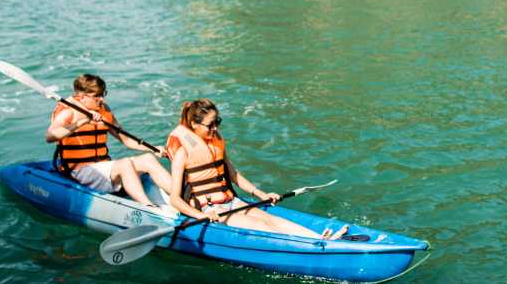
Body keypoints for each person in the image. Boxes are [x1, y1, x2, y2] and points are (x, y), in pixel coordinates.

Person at [166, 98, 347, 239]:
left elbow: (234, 174)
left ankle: (319, 239)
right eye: (210, 125)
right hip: (210, 209)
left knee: (271, 219)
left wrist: (261, 194)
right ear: (194, 125)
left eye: (217, 122)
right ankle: (314, 247)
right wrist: (199, 215)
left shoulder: (216, 142)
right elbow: (175, 199)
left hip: (230, 201)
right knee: (263, 228)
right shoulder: (183, 152)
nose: (215, 128)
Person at [46, 73, 173, 208]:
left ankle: (181, 198)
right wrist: (81, 122)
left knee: (148, 159)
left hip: (102, 167)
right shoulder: (68, 112)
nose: (101, 99)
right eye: (97, 96)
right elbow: (50, 136)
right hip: (79, 171)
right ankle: (148, 208)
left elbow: (126, 139)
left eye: (103, 94)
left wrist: (153, 148)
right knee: (124, 164)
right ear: (82, 97)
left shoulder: (104, 110)